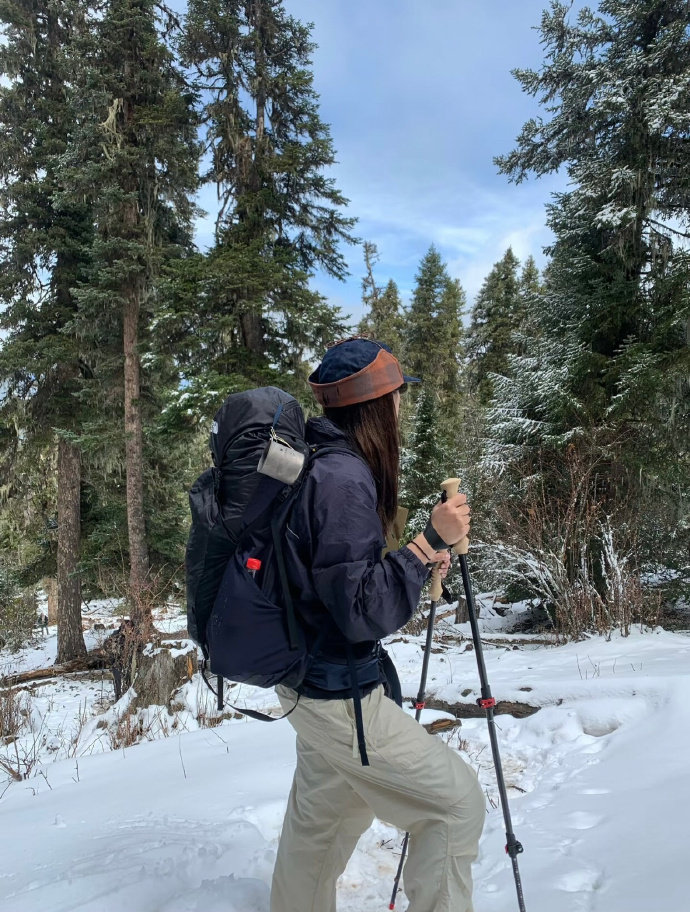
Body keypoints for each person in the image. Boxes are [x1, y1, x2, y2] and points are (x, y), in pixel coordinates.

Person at [270, 338, 485, 912]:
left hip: (307, 681)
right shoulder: (342, 479)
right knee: (457, 804)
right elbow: (361, 609)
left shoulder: (316, 464)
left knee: (325, 816)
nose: (399, 410)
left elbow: (337, 582)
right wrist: (426, 544)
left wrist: (413, 559)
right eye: (395, 398)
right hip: (339, 693)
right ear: (375, 406)